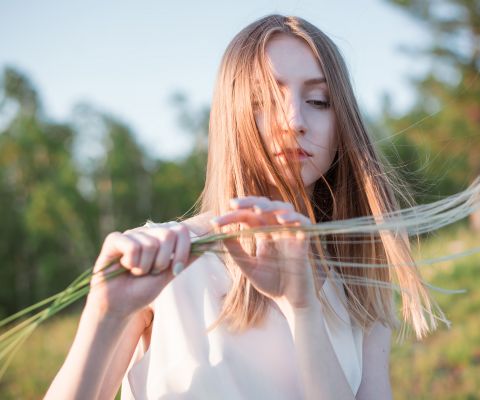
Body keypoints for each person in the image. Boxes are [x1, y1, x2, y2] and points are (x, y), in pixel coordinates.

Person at [45, 14, 440, 399]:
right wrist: (103, 315)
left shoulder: (360, 274)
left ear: (343, 121)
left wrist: (302, 309)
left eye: (319, 100)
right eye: (265, 98)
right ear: (233, 114)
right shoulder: (159, 264)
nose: (294, 119)